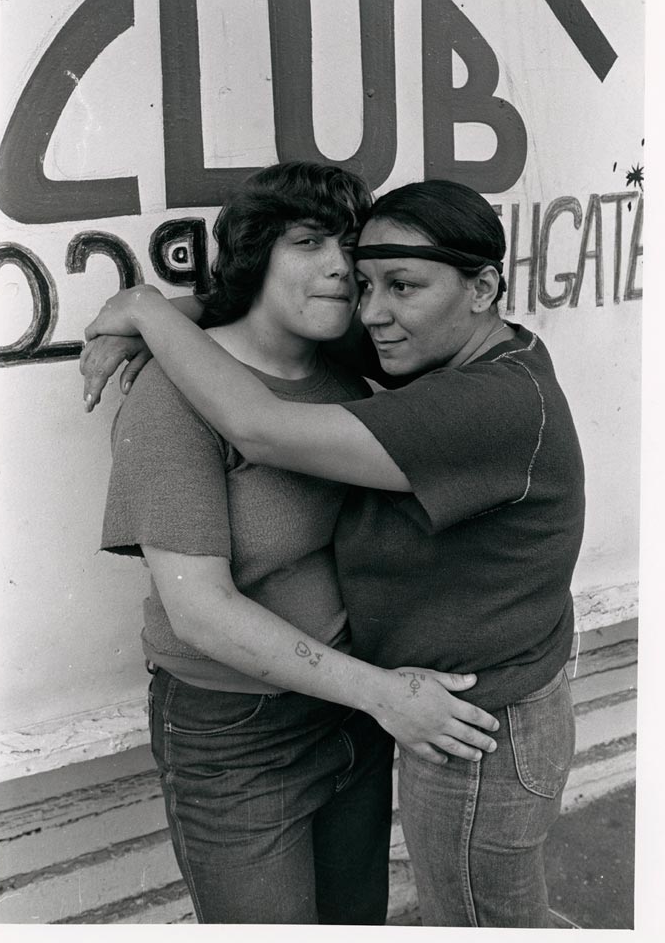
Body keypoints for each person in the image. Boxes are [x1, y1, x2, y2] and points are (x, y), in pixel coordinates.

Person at [82, 177, 585, 928]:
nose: (350, 278)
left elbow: (260, 416)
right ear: (256, 255)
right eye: (310, 242)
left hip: (378, 714)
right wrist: (157, 317)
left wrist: (148, 308)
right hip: (250, 731)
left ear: (483, 289)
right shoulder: (182, 393)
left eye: (350, 250)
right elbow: (199, 612)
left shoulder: (389, 375)